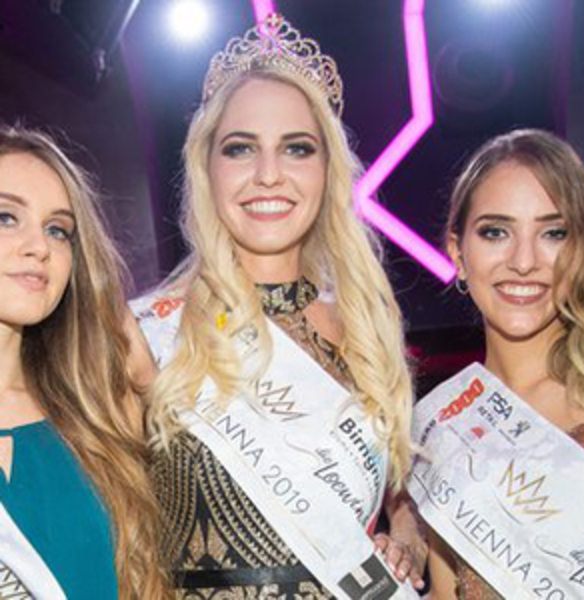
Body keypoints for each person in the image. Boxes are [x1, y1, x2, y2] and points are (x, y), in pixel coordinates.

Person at [130, 14, 423, 599]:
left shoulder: (366, 332)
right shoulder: (146, 332)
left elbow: (397, 493)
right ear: (206, 168)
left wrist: (408, 532)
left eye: (297, 148)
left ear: (327, 170)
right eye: (241, 149)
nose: (269, 175)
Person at [424, 128, 584, 598]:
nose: (524, 261)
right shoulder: (438, 428)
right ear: (458, 252)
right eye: (496, 232)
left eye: (553, 233)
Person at [0, 125, 167, 599]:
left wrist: (145, 376)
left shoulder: (96, 415)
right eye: (6, 217)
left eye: (58, 230)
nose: (40, 247)